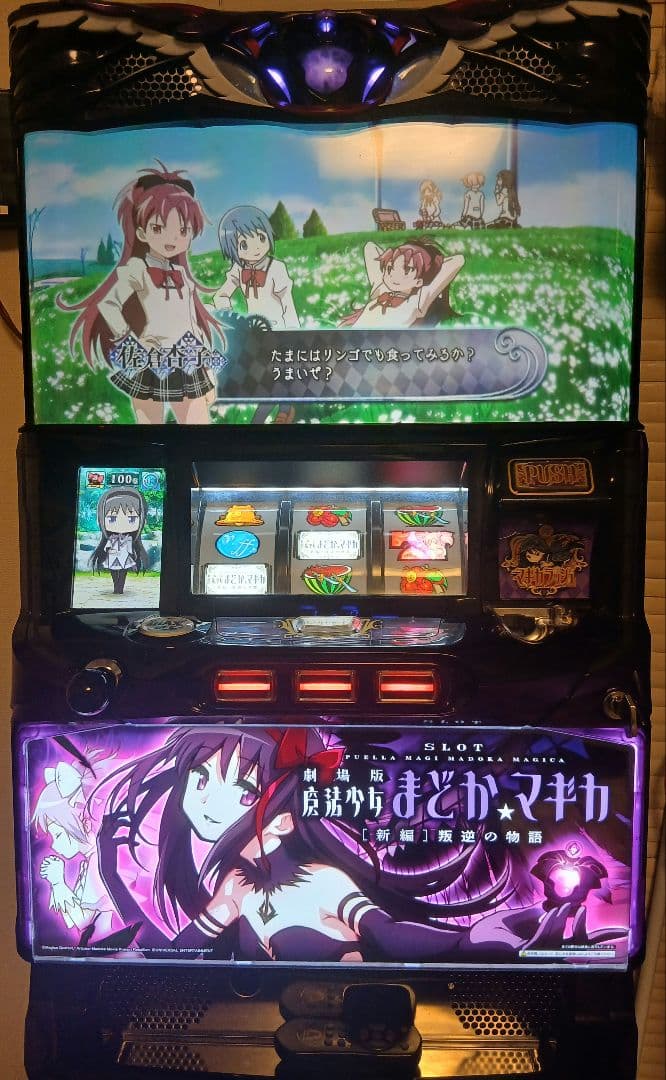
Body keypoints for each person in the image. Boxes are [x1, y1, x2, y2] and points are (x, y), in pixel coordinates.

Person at [97, 727, 519, 962]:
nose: (207, 803)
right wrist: (111, 875)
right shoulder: (237, 887)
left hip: (362, 1035)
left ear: (284, 820)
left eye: (243, 791)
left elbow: (387, 933)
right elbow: (173, 955)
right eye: (200, 778)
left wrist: (465, 943)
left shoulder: (321, 880)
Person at [60, 162, 221, 424]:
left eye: (182, 230)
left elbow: (193, 326)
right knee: (146, 436)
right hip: (149, 359)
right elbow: (109, 304)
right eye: (159, 228)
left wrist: (209, 372)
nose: (172, 238)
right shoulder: (138, 269)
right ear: (142, 232)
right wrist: (130, 340)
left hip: (188, 359)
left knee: (200, 431)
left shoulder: (182, 275)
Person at [214, 205, 299, 423]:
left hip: (278, 330)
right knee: (267, 377)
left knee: (277, 373)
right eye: (244, 244)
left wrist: (293, 332)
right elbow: (221, 294)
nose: (255, 249)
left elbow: (287, 302)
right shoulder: (237, 269)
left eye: (261, 238)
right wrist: (229, 316)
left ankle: (273, 416)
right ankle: (279, 413)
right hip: (254, 331)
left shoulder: (276, 268)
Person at [33, 758, 117, 941]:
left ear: (79, 822)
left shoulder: (97, 864)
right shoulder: (90, 862)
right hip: (100, 951)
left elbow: (85, 923)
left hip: (116, 951)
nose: (54, 845)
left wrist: (58, 884)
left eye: (58, 835)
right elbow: (77, 926)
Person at [340, 241, 464, 329]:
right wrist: (394, 255)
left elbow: (458, 260)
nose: (394, 275)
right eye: (390, 268)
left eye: (406, 270)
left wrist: (431, 268)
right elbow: (370, 246)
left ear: (419, 282)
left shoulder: (417, 300)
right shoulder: (381, 288)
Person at [89, 487, 149, 595]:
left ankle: (119, 589)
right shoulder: (111, 538)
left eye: (131, 519)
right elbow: (107, 547)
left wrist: (132, 556)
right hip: (112, 557)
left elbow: (130, 550)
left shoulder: (128, 538)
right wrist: (108, 551)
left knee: (123, 573)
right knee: (113, 572)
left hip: (124, 558)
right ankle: (116, 587)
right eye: (112, 519)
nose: (121, 524)